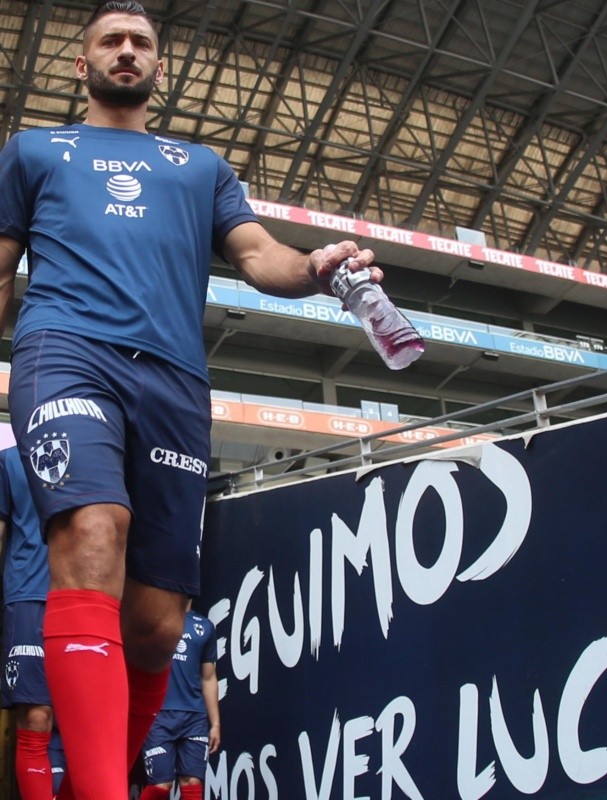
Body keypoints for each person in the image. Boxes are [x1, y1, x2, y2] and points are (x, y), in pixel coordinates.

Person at [0, 3, 380, 799]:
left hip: (175, 381)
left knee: (155, 626)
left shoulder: (200, 166)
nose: (127, 52)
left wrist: (316, 267)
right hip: (66, 353)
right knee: (92, 534)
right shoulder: (34, 151)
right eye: (111, 41)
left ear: (159, 67)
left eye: (141, 43)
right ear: (83, 64)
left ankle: (99, 781)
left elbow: (257, 255)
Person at [0, 445, 61, 800]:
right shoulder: (9, 460)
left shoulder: (92, 447)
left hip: (87, 596)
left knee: (84, 720)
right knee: (36, 717)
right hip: (29, 596)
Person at [140, 606, 219, 800]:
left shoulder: (205, 626)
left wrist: (215, 723)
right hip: (159, 716)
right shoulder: (152, 619)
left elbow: (208, 678)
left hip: (194, 717)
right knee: (160, 786)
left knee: (192, 783)